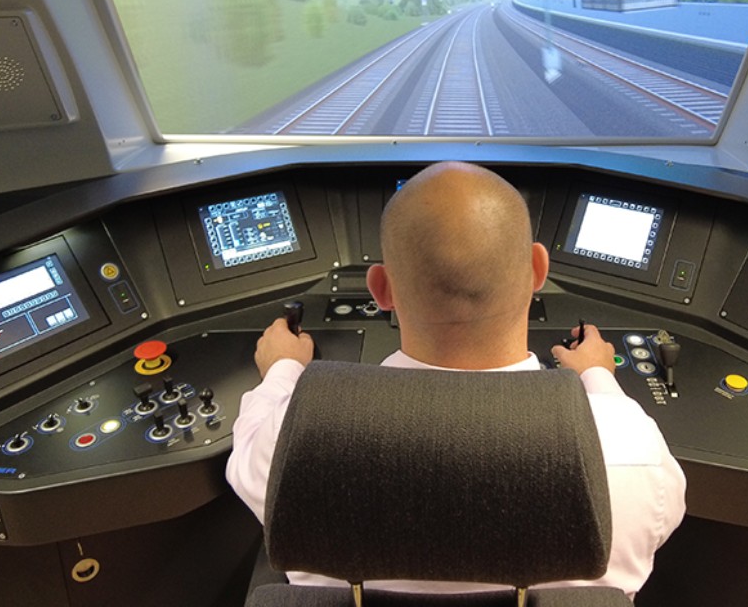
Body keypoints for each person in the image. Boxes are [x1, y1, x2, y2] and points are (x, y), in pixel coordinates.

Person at [226, 161, 686, 597]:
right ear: (537, 271)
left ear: (381, 289)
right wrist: (599, 379)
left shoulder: (294, 438)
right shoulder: (633, 452)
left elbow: (246, 457)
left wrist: (283, 369)